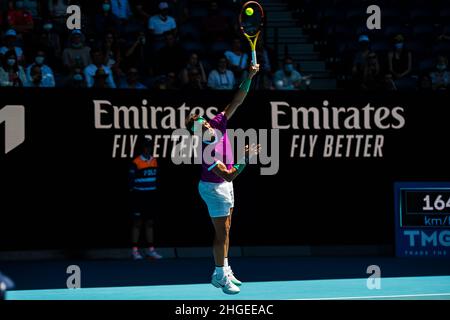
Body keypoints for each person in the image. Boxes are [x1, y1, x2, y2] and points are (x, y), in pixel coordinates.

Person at [185, 64, 260, 295]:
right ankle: (218, 275)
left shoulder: (217, 122)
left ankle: (225, 268)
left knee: (227, 227)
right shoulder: (206, 152)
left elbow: (237, 100)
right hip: (213, 189)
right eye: (202, 125)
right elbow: (229, 173)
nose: (207, 123)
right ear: (197, 133)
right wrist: (245, 158)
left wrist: (249, 75)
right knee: (222, 233)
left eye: (205, 121)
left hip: (225, 186)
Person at [129, 138, 163, 260]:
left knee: (149, 223)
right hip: (139, 196)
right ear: (142, 148)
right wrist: (135, 195)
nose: (148, 149)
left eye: (150, 147)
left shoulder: (154, 161)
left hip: (151, 196)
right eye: (146, 147)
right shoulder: (136, 162)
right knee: (137, 223)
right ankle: (134, 251)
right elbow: (131, 182)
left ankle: (150, 250)